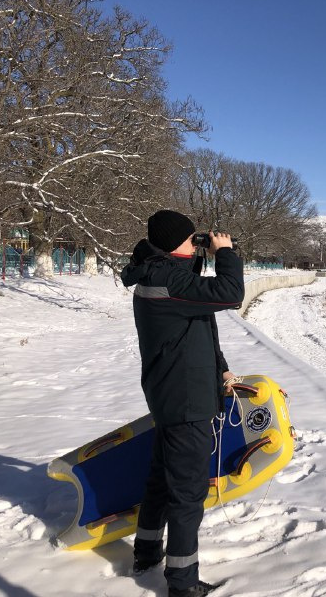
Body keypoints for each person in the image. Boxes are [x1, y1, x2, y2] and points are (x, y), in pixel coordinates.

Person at [119, 209, 244, 597]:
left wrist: (221, 370)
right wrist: (225, 253)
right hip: (185, 399)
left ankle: (146, 551)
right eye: (192, 239)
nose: (198, 244)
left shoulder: (162, 275)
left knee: (160, 480)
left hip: (172, 391)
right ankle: (183, 583)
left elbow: (200, 326)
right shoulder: (167, 279)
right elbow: (230, 294)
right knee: (188, 493)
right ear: (175, 244)